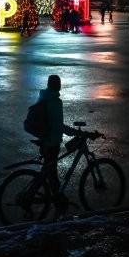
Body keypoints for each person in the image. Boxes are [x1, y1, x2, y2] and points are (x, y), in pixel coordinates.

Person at [37, 75, 81, 219]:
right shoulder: (55, 101)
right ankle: (59, 203)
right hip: (52, 142)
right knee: (51, 173)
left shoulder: (43, 96)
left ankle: (58, 200)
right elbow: (59, 126)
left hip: (44, 139)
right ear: (58, 86)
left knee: (49, 172)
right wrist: (76, 133)